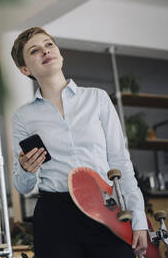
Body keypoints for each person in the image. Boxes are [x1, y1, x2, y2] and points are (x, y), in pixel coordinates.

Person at [10, 27, 148, 258]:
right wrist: (26, 169)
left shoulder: (98, 99)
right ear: (25, 69)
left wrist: (138, 217)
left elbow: (120, 162)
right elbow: (23, 186)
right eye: (35, 50)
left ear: (60, 54)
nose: (45, 51)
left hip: (107, 208)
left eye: (49, 45)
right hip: (55, 216)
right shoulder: (22, 117)